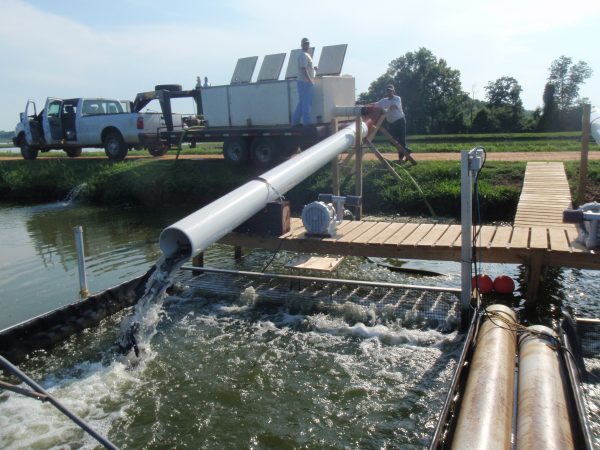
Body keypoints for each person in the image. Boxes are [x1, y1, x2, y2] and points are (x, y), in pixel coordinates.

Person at [375, 84, 411, 161]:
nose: (389, 92)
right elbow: (375, 105)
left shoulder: (397, 98)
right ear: (386, 92)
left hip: (400, 121)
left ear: (394, 91)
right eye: (388, 91)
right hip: (392, 123)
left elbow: (394, 106)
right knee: (392, 140)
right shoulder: (383, 101)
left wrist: (386, 110)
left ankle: (400, 159)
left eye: (391, 91)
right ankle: (407, 151)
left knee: (401, 140)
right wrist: (364, 105)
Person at [292, 37, 316, 126]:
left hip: (304, 82)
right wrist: (310, 80)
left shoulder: (306, 55)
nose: (306, 45)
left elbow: (307, 67)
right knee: (307, 103)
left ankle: (295, 122)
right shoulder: (303, 55)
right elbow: (304, 69)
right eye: (305, 44)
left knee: (302, 103)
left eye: (307, 44)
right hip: (305, 82)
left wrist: (314, 68)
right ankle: (307, 123)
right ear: (301, 45)